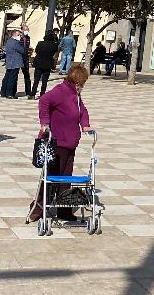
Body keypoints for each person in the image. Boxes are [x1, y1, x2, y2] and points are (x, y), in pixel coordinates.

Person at [28, 64, 92, 223]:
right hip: (56, 142)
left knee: (66, 178)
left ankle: (64, 210)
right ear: (76, 81)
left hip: (70, 143)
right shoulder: (61, 91)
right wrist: (45, 122)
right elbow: (44, 100)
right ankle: (38, 208)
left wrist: (85, 124)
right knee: (51, 177)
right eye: (82, 83)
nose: (82, 86)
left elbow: (82, 110)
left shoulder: (75, 94)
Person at [32, 30, 60, 98]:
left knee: (36, 80)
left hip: (39, 62)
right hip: (47, 63)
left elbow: (37, 51)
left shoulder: (40, 43)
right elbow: (54, 52)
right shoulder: (54, 44)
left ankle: (32, 94)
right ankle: (42, 94)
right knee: (45, 80)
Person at [1, 30, 27, 99]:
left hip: (9, 62)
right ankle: (10, 93)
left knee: (7, 77)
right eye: (19, 35)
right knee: (12, 78)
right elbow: (22, 50)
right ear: (15, 35)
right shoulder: (16, 43)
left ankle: (3, 92)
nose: (20, 37)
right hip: (15, 62)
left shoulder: (9, 41)